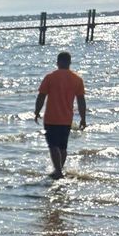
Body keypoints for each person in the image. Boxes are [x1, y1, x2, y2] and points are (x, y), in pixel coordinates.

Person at [34, 50, 87, 179]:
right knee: (63, 147)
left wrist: (36, 111)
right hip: (66, 118)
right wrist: (83, 118)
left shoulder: (50, 77)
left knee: (53, 145)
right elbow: (81, 100)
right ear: (69, 62)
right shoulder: (77, 79)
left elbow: (41, 96)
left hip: (51, 118)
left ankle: (58, 171)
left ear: (58, 63)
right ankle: (59, 170)